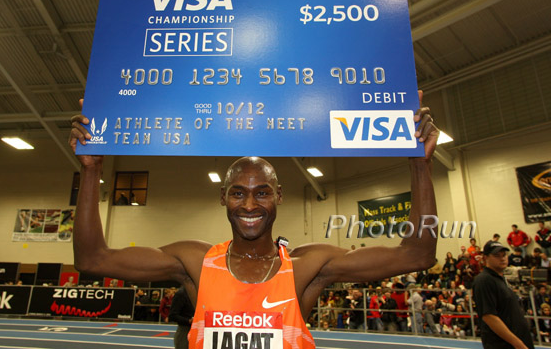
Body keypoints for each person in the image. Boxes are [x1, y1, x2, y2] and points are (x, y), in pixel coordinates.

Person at [69, 93, 439, 349]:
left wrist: (420, 165)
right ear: (223, 197)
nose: (249, 204)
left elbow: (417, 255)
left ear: (279, 196)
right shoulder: (196, 262)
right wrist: (92, 170)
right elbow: (92, 259)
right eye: (238, 193)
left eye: (262, 192)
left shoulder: (306, 266)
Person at [473, 240, 535, 349]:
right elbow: (489, 316)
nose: (502, 258)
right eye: (497, 256)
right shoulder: (484, 280)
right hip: (504, 345)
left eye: (504, 255)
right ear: (485, 257)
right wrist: (518, 344)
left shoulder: (500, 279)